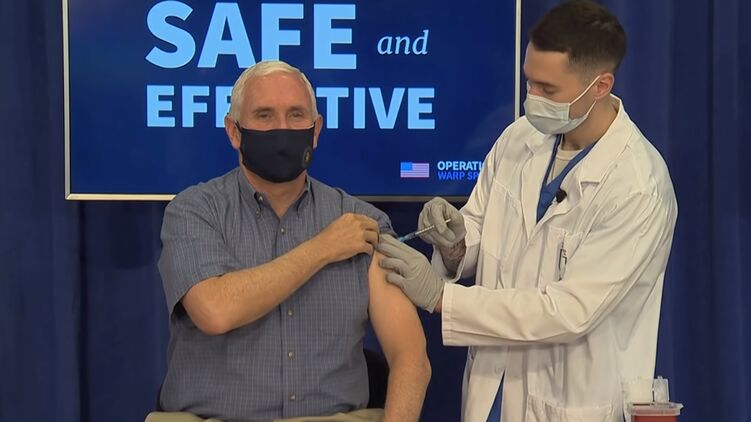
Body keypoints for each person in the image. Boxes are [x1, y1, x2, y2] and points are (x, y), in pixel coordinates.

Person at [376, 1, 678, 421]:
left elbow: (568, 312)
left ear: (600, 86)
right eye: (529, 82)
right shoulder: (520, 137)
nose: (532, 99)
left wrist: (443, 298)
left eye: (548, 90)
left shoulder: (638, 186)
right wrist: (456, 244)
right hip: (493, 392)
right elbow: (483, 227)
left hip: (572, 402)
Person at [150, 60, 430, 422]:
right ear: (234, 131)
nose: (282, 129)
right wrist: (322, 248)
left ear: (316, 130)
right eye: (264, 116)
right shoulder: (194, 211)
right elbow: (215, 311)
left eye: (296, 115)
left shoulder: (362, 222)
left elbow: (410, 356)